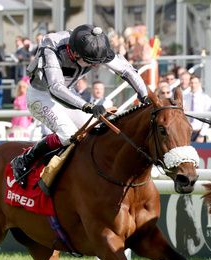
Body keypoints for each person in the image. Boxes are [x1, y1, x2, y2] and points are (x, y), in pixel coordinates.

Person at [10, 24, 149, 188]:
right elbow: (55, 88)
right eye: (91, 63)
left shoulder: (96, 46)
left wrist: (144, 95)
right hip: (41, 95)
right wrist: (87, 106)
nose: (96, 66)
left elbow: (126, 70)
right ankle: (25, 159)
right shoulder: (51, 46)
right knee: (69, 134)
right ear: (74, 53)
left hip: (68, 94)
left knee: (99, 128)